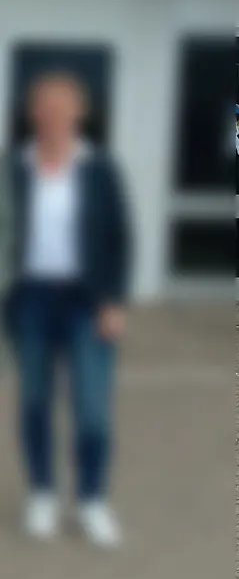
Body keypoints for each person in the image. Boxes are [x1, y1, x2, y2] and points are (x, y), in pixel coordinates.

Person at [5, 72, 130, 548]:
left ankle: (92, 499)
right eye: (46, 106)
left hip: (87, 301)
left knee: (93, 408)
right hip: (29, 299)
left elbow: (118, 238)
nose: (55, 115)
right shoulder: (13, 168)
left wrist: (113, 300)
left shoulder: (98, 169)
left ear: (78, 113)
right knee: (35, 400)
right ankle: (42, 494)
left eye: (65, 106)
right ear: (35, 113)